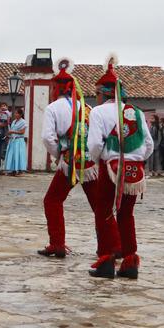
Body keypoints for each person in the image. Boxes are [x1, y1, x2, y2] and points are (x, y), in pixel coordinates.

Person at [87, 54, 153, 280]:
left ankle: (106, 261)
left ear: (104, 93)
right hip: (135, 171)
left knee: (104, 212)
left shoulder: (98, 113)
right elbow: (149, 144)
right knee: (127, 214)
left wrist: (100, 159)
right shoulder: (137, 113)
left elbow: (95, 144)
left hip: (110, 167)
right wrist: (137, 158)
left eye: (96, 93)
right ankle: (130, 260)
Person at [38, 57, 106, 258]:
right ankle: (110, 246)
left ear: (56, 88)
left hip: (70, 163)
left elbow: (47, 138)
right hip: (90, 163)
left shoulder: (53, 108)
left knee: (52, 200)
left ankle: (57, 244)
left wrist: (59, 154)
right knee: (99, 206)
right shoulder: (86, 107)